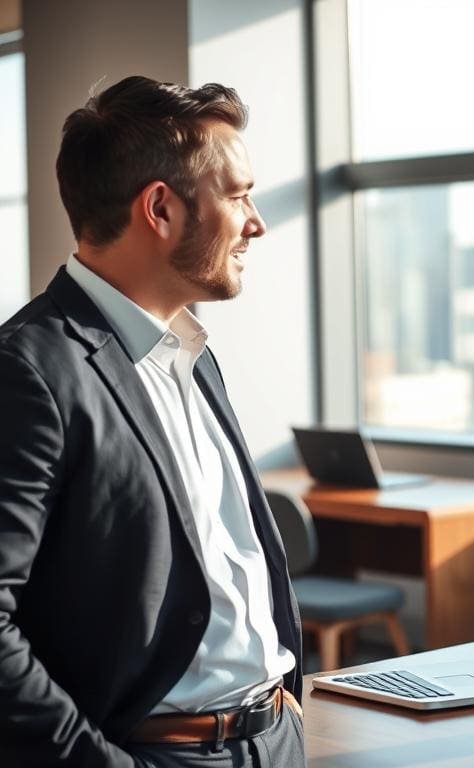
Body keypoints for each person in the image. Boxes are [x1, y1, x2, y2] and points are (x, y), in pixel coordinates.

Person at [0, 76, 305, 767]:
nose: (255, 221)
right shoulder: (28, 372)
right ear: (161, 209)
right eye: (237, 195)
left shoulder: (194, 357)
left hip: (275, 740)